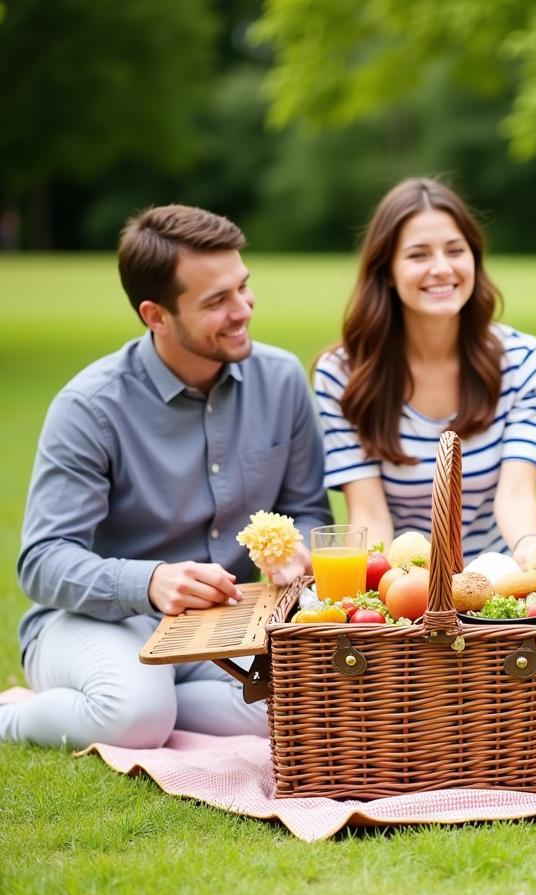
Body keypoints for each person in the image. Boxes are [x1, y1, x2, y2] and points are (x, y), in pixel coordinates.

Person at [1, 205, 331, 750]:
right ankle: (19, 714)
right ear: (156, 315)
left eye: (243, 288)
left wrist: (292, 548)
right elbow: (42, 561)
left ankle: (137, 701)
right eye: (216, 301)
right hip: (101, 621)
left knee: (297, 707)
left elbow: (309, 508)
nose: (243, 309)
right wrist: (149, 581)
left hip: (227, 628)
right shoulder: (91, 406)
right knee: (135, 717)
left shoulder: (281, 379)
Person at [314, 178, 536, 567]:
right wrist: (379, 588)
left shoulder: (525, 362)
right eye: (418, 255)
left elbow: (516, 494)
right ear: (387, 272)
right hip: (398, 588)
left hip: (494, 582)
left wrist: (531, 547)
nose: (442, 268)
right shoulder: (342, 374)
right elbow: (369, 514)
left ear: (474, 259)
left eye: (455, 250)